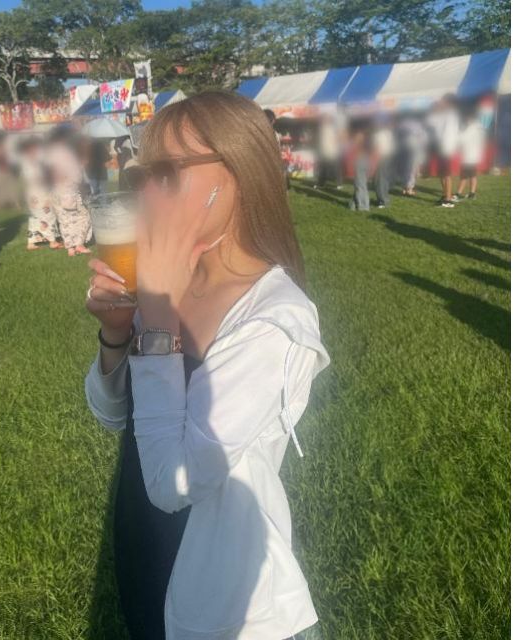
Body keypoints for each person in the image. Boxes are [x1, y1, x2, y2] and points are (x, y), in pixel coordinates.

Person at [84, 91, 329, 640]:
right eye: (141, 174)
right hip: (147, 552)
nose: (148, 192)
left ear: (238, 173)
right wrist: (117, 333)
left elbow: (174, 483)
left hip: (227, 602)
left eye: (167, 172)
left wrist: (158, 319)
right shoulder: (176, 279)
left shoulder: (274, 319)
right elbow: (113, 415)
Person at [45, 128, 92, 257]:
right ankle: (79, 244)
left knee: (64, 220)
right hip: (68, 190)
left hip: (57, 191)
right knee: (84, 217)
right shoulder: (65, 152)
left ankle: (70, 248)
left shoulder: (51, 153)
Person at [19, 137, 63, 250]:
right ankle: (52, 241)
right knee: (48, 215)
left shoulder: (29, 163)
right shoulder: (30, 164)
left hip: (32, 193)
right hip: (39, 193)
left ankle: (31, 243)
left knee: (36, 217)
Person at [426, 94, 460, 208]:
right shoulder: (442, 114)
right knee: (441, 173)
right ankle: (445, 195)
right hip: (440, 147)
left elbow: (448, 133)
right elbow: (430, 123)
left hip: (446, 148)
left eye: (443, 101)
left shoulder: (451, 114)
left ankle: (448, 199)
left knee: (446, 174)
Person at [455, 109, 486, 200]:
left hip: (469, 155)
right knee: (472, 175)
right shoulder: (479, 127)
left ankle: (459, 193)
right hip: (472, 155)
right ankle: (472, 193)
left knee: (464, 175)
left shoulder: (471, 127)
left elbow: (462, 139)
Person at [397, 115, 429, 196]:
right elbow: (423, 139)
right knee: (412, 170)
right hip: (413, 149)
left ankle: (405, 188)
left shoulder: (402, 124)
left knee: (405, 169)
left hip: (403, 149)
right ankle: (409, 189)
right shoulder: (419, 126)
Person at [316, 112, 345, 190]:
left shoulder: (333, 128)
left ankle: (339, 184)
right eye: (324, 119)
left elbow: (340, 137)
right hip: (324, 151)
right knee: (322, 169)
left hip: (333, 151)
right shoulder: (321, 128)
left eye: (326, 119)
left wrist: (336, 141)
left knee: (336, 169)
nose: (324, 120)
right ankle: (321, 184)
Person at [372, 115, 396, 208]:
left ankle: (382, 201)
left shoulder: (379, 134)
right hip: (389, 156)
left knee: (379, 180)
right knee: (384, 179)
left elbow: (376, 148)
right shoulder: (388, 132)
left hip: (382, 157)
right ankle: (384, 198)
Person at [349, 127, 370, 211]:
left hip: (361, 161)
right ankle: (353, 205)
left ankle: (363, 206)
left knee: (360, 185)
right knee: (361, 184)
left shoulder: (361, 142)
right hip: (364, 161)